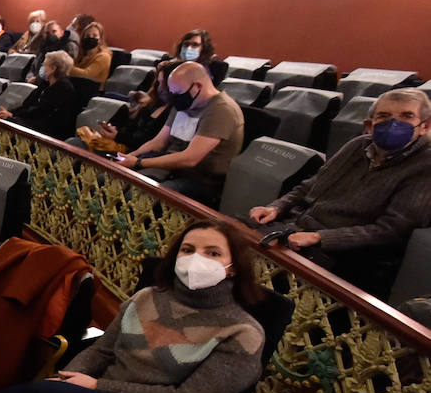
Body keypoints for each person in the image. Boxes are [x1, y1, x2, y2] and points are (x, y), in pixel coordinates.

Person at [0, 219, 265, 393]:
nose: (196, 260)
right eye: (188, 249)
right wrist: (65, 379)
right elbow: (101, 351)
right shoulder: (145, 298)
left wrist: (94, 388)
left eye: (213, 253)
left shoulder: (242, 332)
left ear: (234, 268)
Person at [250, 87, 431, 296]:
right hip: (297, 227)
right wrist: (276, 206)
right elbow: (312, 184)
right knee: (229, 234)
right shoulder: (357, 145)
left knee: (260, 279)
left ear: (424, 126)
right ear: (370, 125)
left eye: (407, 116)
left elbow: (392, 231)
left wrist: (320, 237)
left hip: (347, 253)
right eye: (384, 116)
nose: (394, 123)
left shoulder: (425, 165)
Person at [115, 61, 244, 205]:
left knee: (134, 199)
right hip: (170, 169)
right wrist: (129, 157)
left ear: (197, 86)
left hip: (199, 180)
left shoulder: (221, 110)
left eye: (177, 93)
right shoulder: (184, 102)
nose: (174, 97)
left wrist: (139, 162)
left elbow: (190, 159)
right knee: (113, 184)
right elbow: (158, 142)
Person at [0, 50, 81, 141]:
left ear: (53, 68)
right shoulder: (45, 83)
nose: (42, 67)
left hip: (48, 130)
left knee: (9, 123)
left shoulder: (64, 88)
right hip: (34, 121)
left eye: (44, 64)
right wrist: (12, 113)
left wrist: (13, 117)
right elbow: (27, 104)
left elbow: (41, 112)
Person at [69, 21, 111, 86]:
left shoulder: (104, 56)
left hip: (93, 90)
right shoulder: (82, 54)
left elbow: (86, 75)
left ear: (100, 39)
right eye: (87, 35)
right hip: (78, 85)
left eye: (94, 36)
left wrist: (66, 66)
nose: (90, 37)